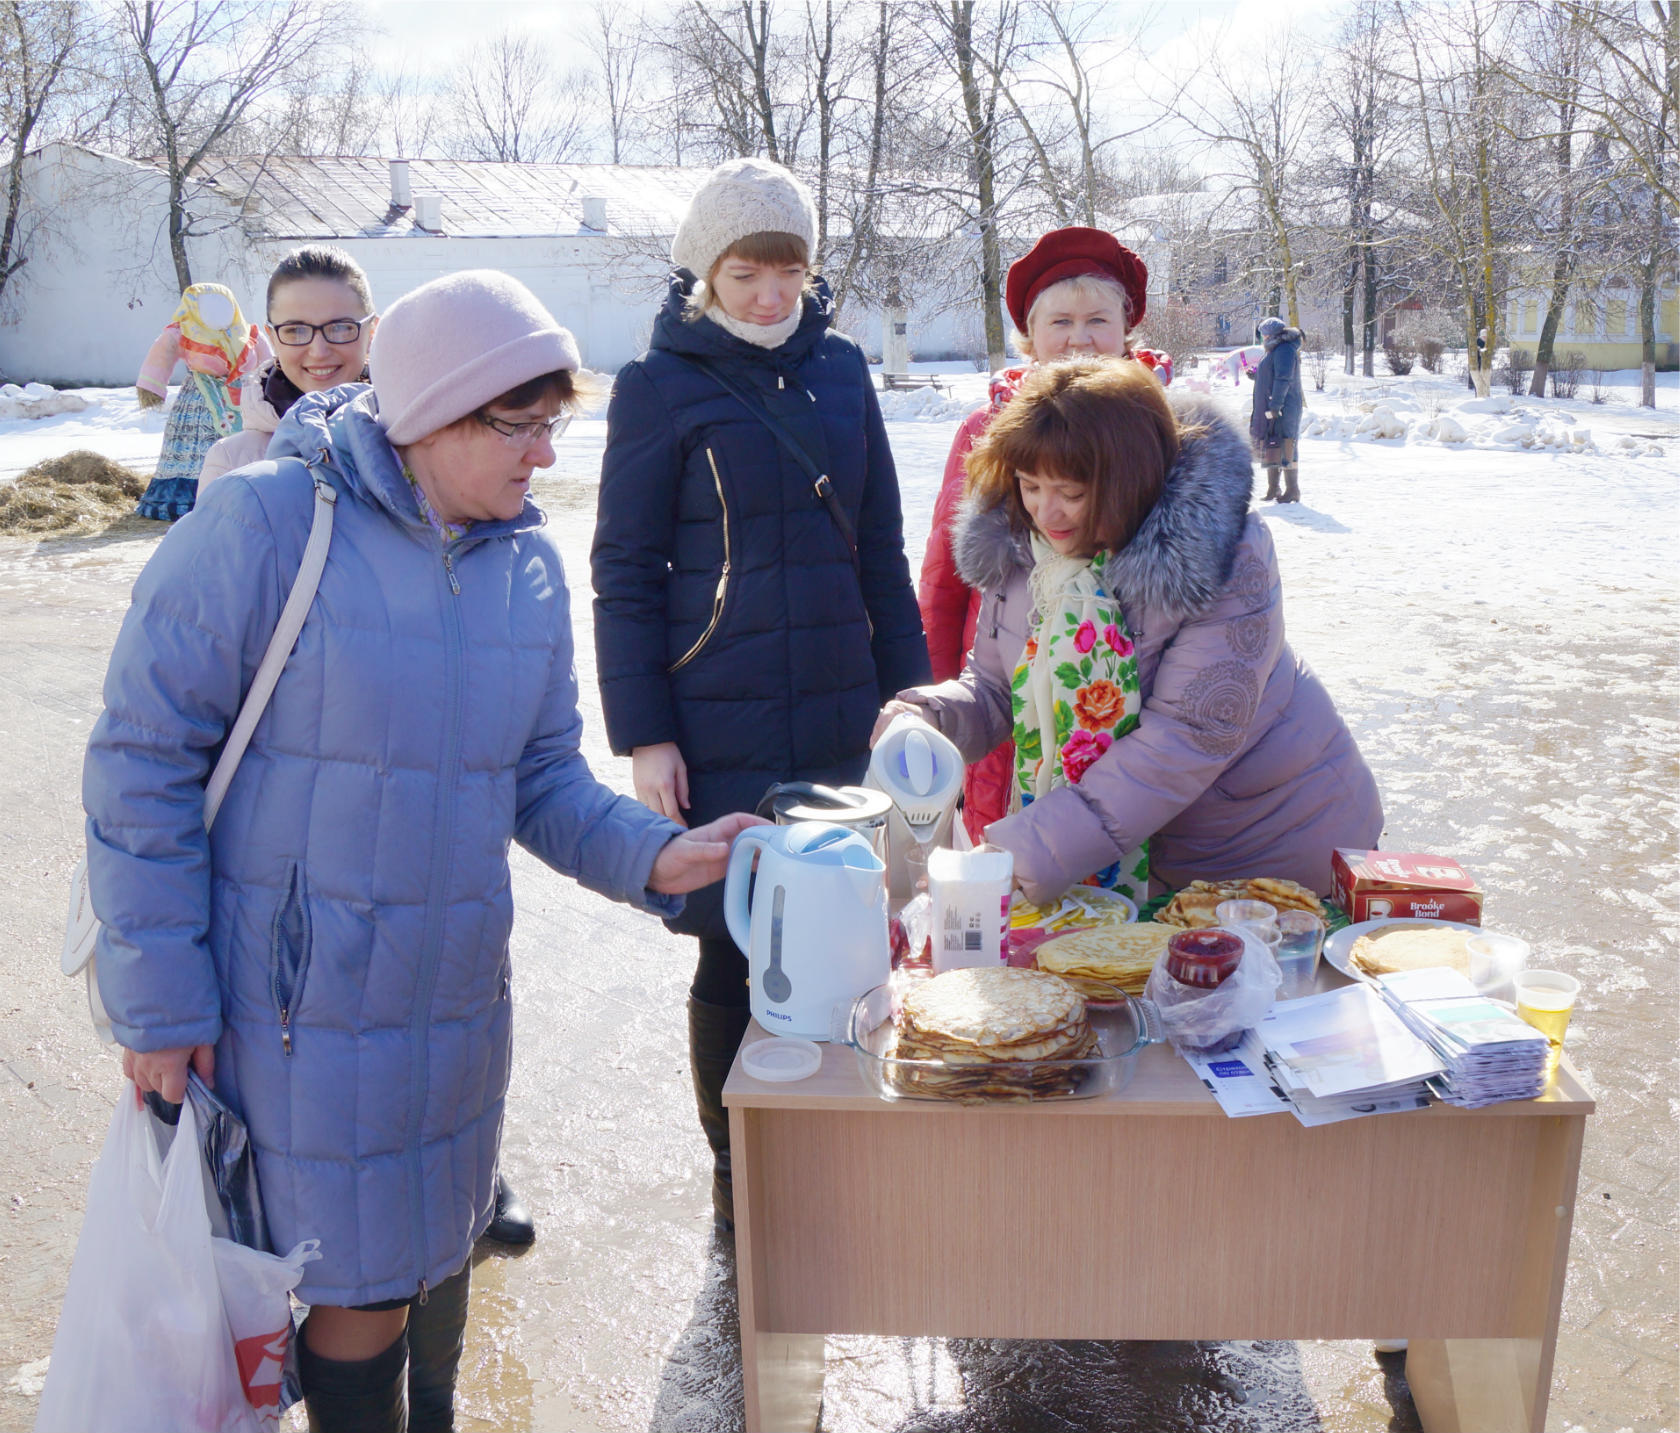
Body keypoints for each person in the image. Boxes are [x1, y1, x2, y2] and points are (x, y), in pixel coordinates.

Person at [83, 269, 761, 1431]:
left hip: (447, 1005)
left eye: (555, 422)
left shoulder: (525, 566)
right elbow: (141, 759)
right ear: (432, 410)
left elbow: (539, 772)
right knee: (334, 1293)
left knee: (423, 1266)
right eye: (521, 423)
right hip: (286, 1009)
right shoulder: (267, 525)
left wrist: (657, 856)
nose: (545, 454)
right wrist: (159, 1003)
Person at [591, 157, 928, 1227]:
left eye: (789, 270)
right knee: (734, 948)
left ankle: (831, 1144)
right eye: (747, 272)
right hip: (719, 712)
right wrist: (645, 733)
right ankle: (740, 1172)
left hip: (838, 704)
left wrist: (914, 704)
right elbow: (625, 568)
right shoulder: (659, 386)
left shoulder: (841, 373)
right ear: (706, 272)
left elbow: (881, 544)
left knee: (842, 932)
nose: (771, 295)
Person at [876, 357, 1381, 905]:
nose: (1047, 512)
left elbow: (1183, 741)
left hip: (1271, 848)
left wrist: (1034, 845)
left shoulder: (1223, 556)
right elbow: (998, 688)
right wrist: (932, 717)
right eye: (1029, 485)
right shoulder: (1025, 550)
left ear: (1126, 477)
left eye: (1071, 491)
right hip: (1136, 857)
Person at [919, 227, 1171, 845]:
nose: (1079, 338)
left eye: (1097, 319)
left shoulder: (1165, 426)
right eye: (1060, 321)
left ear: (1126, 328)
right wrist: (938, 710)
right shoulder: (987, 430)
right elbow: (943, 582)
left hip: (1128, 707)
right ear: (1030, 337)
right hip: (1002, 694)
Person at [198, 246, 377, 491]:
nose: (319, 351)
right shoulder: (232, 463)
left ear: (372, 331)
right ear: (271, 337)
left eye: (340, 327)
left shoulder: (416, 438)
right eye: (295, 330)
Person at [133, 282, 269, 520]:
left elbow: (269, 364)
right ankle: (193, 496)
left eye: (223, 305)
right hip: (200, 397)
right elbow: (161, 356)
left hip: (245, 397)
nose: (217, 311)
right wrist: (151, 389)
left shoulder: (248, 333)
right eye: (210, 306)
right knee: (199, 444)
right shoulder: (183, 332)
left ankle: (251, 490)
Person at [1250, 315, 1304, 503]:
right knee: (1272, 442)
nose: (1262, 338)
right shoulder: (1275, 349)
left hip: (1285, 406)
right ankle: (1274, 488)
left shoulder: (1284, 350)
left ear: (1271, 334)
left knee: (1287, 444)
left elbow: (1283, 379)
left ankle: (1292, 490)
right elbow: (1272, 373)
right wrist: (1256, 376)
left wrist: (1275, 406)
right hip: (1276, 404)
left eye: (1264, 334)